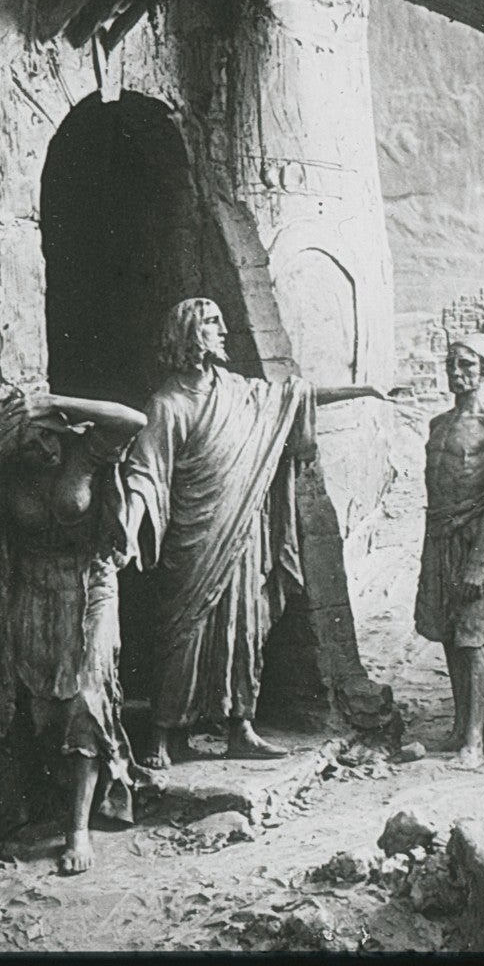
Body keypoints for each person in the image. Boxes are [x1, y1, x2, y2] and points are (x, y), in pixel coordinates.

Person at [124, 298, 383, 769]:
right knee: (184, 634)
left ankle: (239, 726)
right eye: (212, 323)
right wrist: (129, 523)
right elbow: (146, 471)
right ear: (188, 335)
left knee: (244, 629)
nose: (223, 331)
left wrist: (362, 389)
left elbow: (295, 398)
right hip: (195, 540)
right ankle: (163, 732)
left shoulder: (240, 392)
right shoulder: (168, 405)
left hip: (242, 532)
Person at [0, 383, 150, 875]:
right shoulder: (4, 480)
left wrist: (55, 403)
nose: (47, 449)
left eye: (48, 435)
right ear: (12, 449)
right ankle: (54, 800)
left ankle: (78, 829)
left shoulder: (85, 451)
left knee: (85, 699)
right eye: (31, 445)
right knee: (41, 708)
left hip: (91, 585)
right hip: (34, 592)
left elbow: (134, 420)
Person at [415, 336, 484, 769]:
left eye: (467, 365)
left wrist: (477, 560)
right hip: (438, 536)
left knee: (472, 641)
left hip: (474, 539)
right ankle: (459, 727)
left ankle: (474, 741)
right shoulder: (437, 423)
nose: (457, 372)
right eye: (452, 364)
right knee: (449, 634)